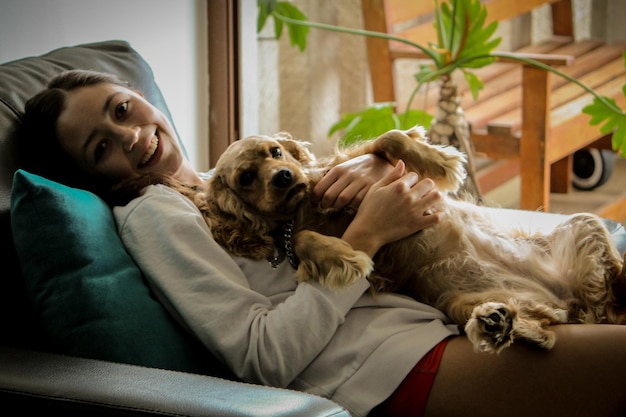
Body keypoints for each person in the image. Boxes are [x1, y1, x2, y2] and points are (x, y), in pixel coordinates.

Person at [21, 69, 626, 417]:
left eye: (122, 108)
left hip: (447, 310)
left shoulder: (220, 182)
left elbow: (425, 210)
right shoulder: (156, 215)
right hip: (395, 367)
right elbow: (261, 356)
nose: (129, 134)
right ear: (92, 177)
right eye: (100, 146)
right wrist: (367, 235)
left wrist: (372, 170)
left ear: (137, 92)